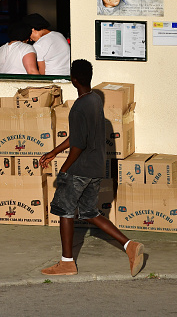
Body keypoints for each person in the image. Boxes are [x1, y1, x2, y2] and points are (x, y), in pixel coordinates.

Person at [39, 59, 145, 276]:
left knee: (65, 211)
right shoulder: (95, 100)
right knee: (90, 212)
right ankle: (129, 246)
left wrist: (65, 169)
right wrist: (54, 152)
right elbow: (79, 136)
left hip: (80, 168)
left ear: (73, 79)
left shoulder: (78, 107)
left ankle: (67, 262)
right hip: (97, 167)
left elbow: (79, 144)